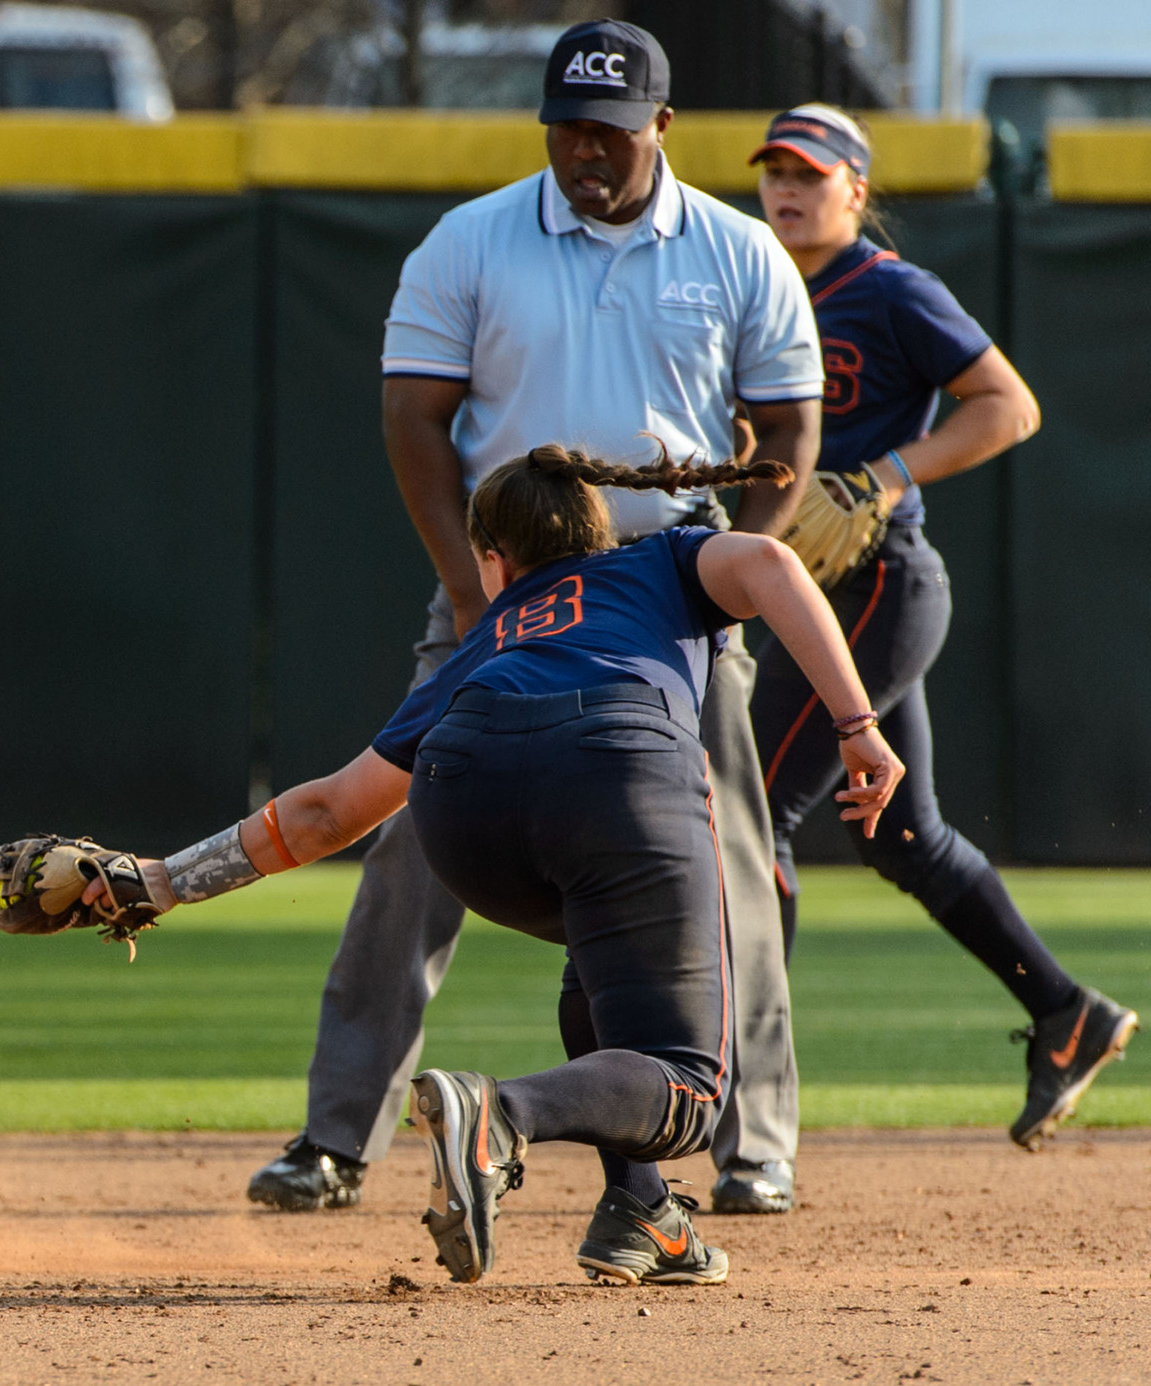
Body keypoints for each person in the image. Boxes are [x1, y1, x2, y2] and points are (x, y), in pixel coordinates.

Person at [40, 446, 903, 1285]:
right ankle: (502, 1113)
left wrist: (162, 881)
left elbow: (326, 813)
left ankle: (640, 1210)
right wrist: (857, 726)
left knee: (601, 969)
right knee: (687, 1091)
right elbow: (768, 562)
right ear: (595, 528)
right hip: (619, 773)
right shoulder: (660, 562)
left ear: (494, 560)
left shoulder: (484, 642)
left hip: (464, 810)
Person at [249, 16, 825, 1219]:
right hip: (502, 579)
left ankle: (754, 1141)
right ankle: (336, 1136)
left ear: (660, 126)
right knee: (410, 841)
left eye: (609, 131)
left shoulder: (736, 251)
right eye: (567, 128)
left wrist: (728, 579)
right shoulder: (472, 239)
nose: (585, 151)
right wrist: (471, 590)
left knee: (725, 851)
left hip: (668, 587)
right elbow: (414, 418)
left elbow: (787, 428)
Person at [748, 105, 1136, 1149]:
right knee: (901, 835)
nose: (787, 189)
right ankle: (1067, 1013)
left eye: (809, 173)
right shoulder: (750, 282)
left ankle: (743, 1091)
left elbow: (1008, 405)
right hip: (805, 589)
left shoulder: (889, 289)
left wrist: (882, 475)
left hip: (878, 585)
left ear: (856, 189)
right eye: (774, 171)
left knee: (751, 813)